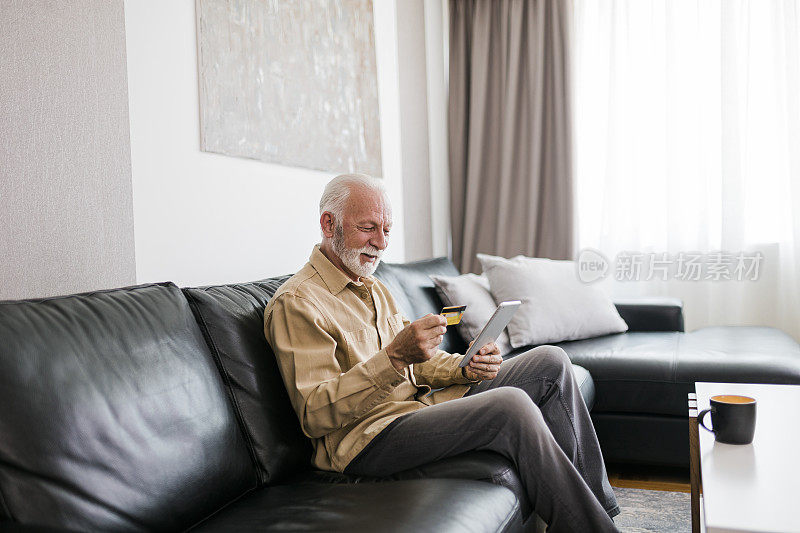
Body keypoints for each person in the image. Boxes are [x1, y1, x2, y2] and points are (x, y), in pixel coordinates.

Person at [264, 174, 620, 532]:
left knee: (550, 362)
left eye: (387, 229)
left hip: (421, 409)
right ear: (329, 224)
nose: (381, 243)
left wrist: (466, 368)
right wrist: (395, 358)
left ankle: (601, 514)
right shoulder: (298, 304)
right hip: (369, 439)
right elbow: (314, 413)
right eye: (368, 228)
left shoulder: (375, 288)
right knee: (510, 405)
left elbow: (418, 366)